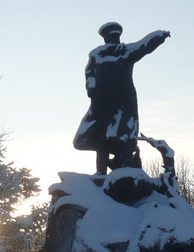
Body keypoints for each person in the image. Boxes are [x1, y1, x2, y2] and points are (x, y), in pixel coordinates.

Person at [73, 22, 170, 175]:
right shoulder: (117, 52)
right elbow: (144, 45)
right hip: (112, 102)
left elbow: (89, 76)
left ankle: (116, 171)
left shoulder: (105, 53)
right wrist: (159, 35)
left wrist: (159, 36)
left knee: (114, 138)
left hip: (115, 102)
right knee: (111, 138)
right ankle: (108, 172)